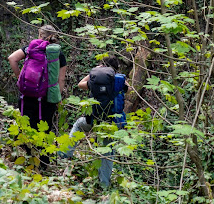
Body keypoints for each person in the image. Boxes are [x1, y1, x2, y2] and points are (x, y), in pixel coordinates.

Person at [61, 54, 129, 188]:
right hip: (113, 124)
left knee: (79, 124)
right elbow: (129, 89)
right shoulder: (119, 80)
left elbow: (80, 84)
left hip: (95, 120)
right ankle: (104, 184)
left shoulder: (96, 80)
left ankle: (65, 154)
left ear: (102, 66)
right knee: (107, 151)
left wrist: (93, 72)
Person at [8, 25, 67, 132]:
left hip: (27, 93)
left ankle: (23, 147)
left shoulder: (30, 49)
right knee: (44, 129)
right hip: (47, 98)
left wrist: (18, 76)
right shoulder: (58, 53)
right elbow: (61, 79)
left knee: (25, 125)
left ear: (40, 35)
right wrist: (57, 98)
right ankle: (39, 148)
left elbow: (12, 58)